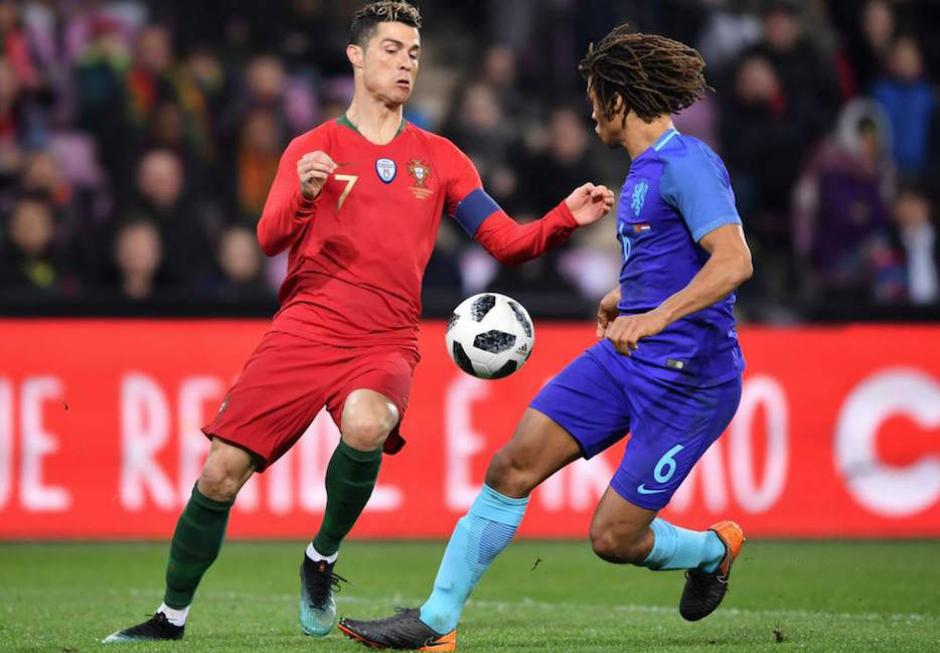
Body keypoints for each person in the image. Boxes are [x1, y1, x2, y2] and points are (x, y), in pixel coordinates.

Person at [102, 1, 613, 644]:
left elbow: (507, 243)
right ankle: (169, 618)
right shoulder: (311, 148)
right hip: (306, 327)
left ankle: (321, 557)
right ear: (357, 55)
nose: (406, 64)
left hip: (387, 336)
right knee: (219, 473)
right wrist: (303, 195)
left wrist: (563, 216)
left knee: (370, 423)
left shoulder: (443, 159)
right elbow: (266, 239)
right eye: (393, 50)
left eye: (415, 54)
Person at [339, 24, 753, 652]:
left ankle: (709, 550)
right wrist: (627, 300)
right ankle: (437, 622)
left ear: (619, 97)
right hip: (624, 359)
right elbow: (675, 258)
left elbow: (733, 261)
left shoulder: (687, 161)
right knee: (511, 466)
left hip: (689, 381)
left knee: (613, 538)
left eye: (594, 96)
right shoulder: (641, 171)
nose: (589, 111)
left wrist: (655, 316)